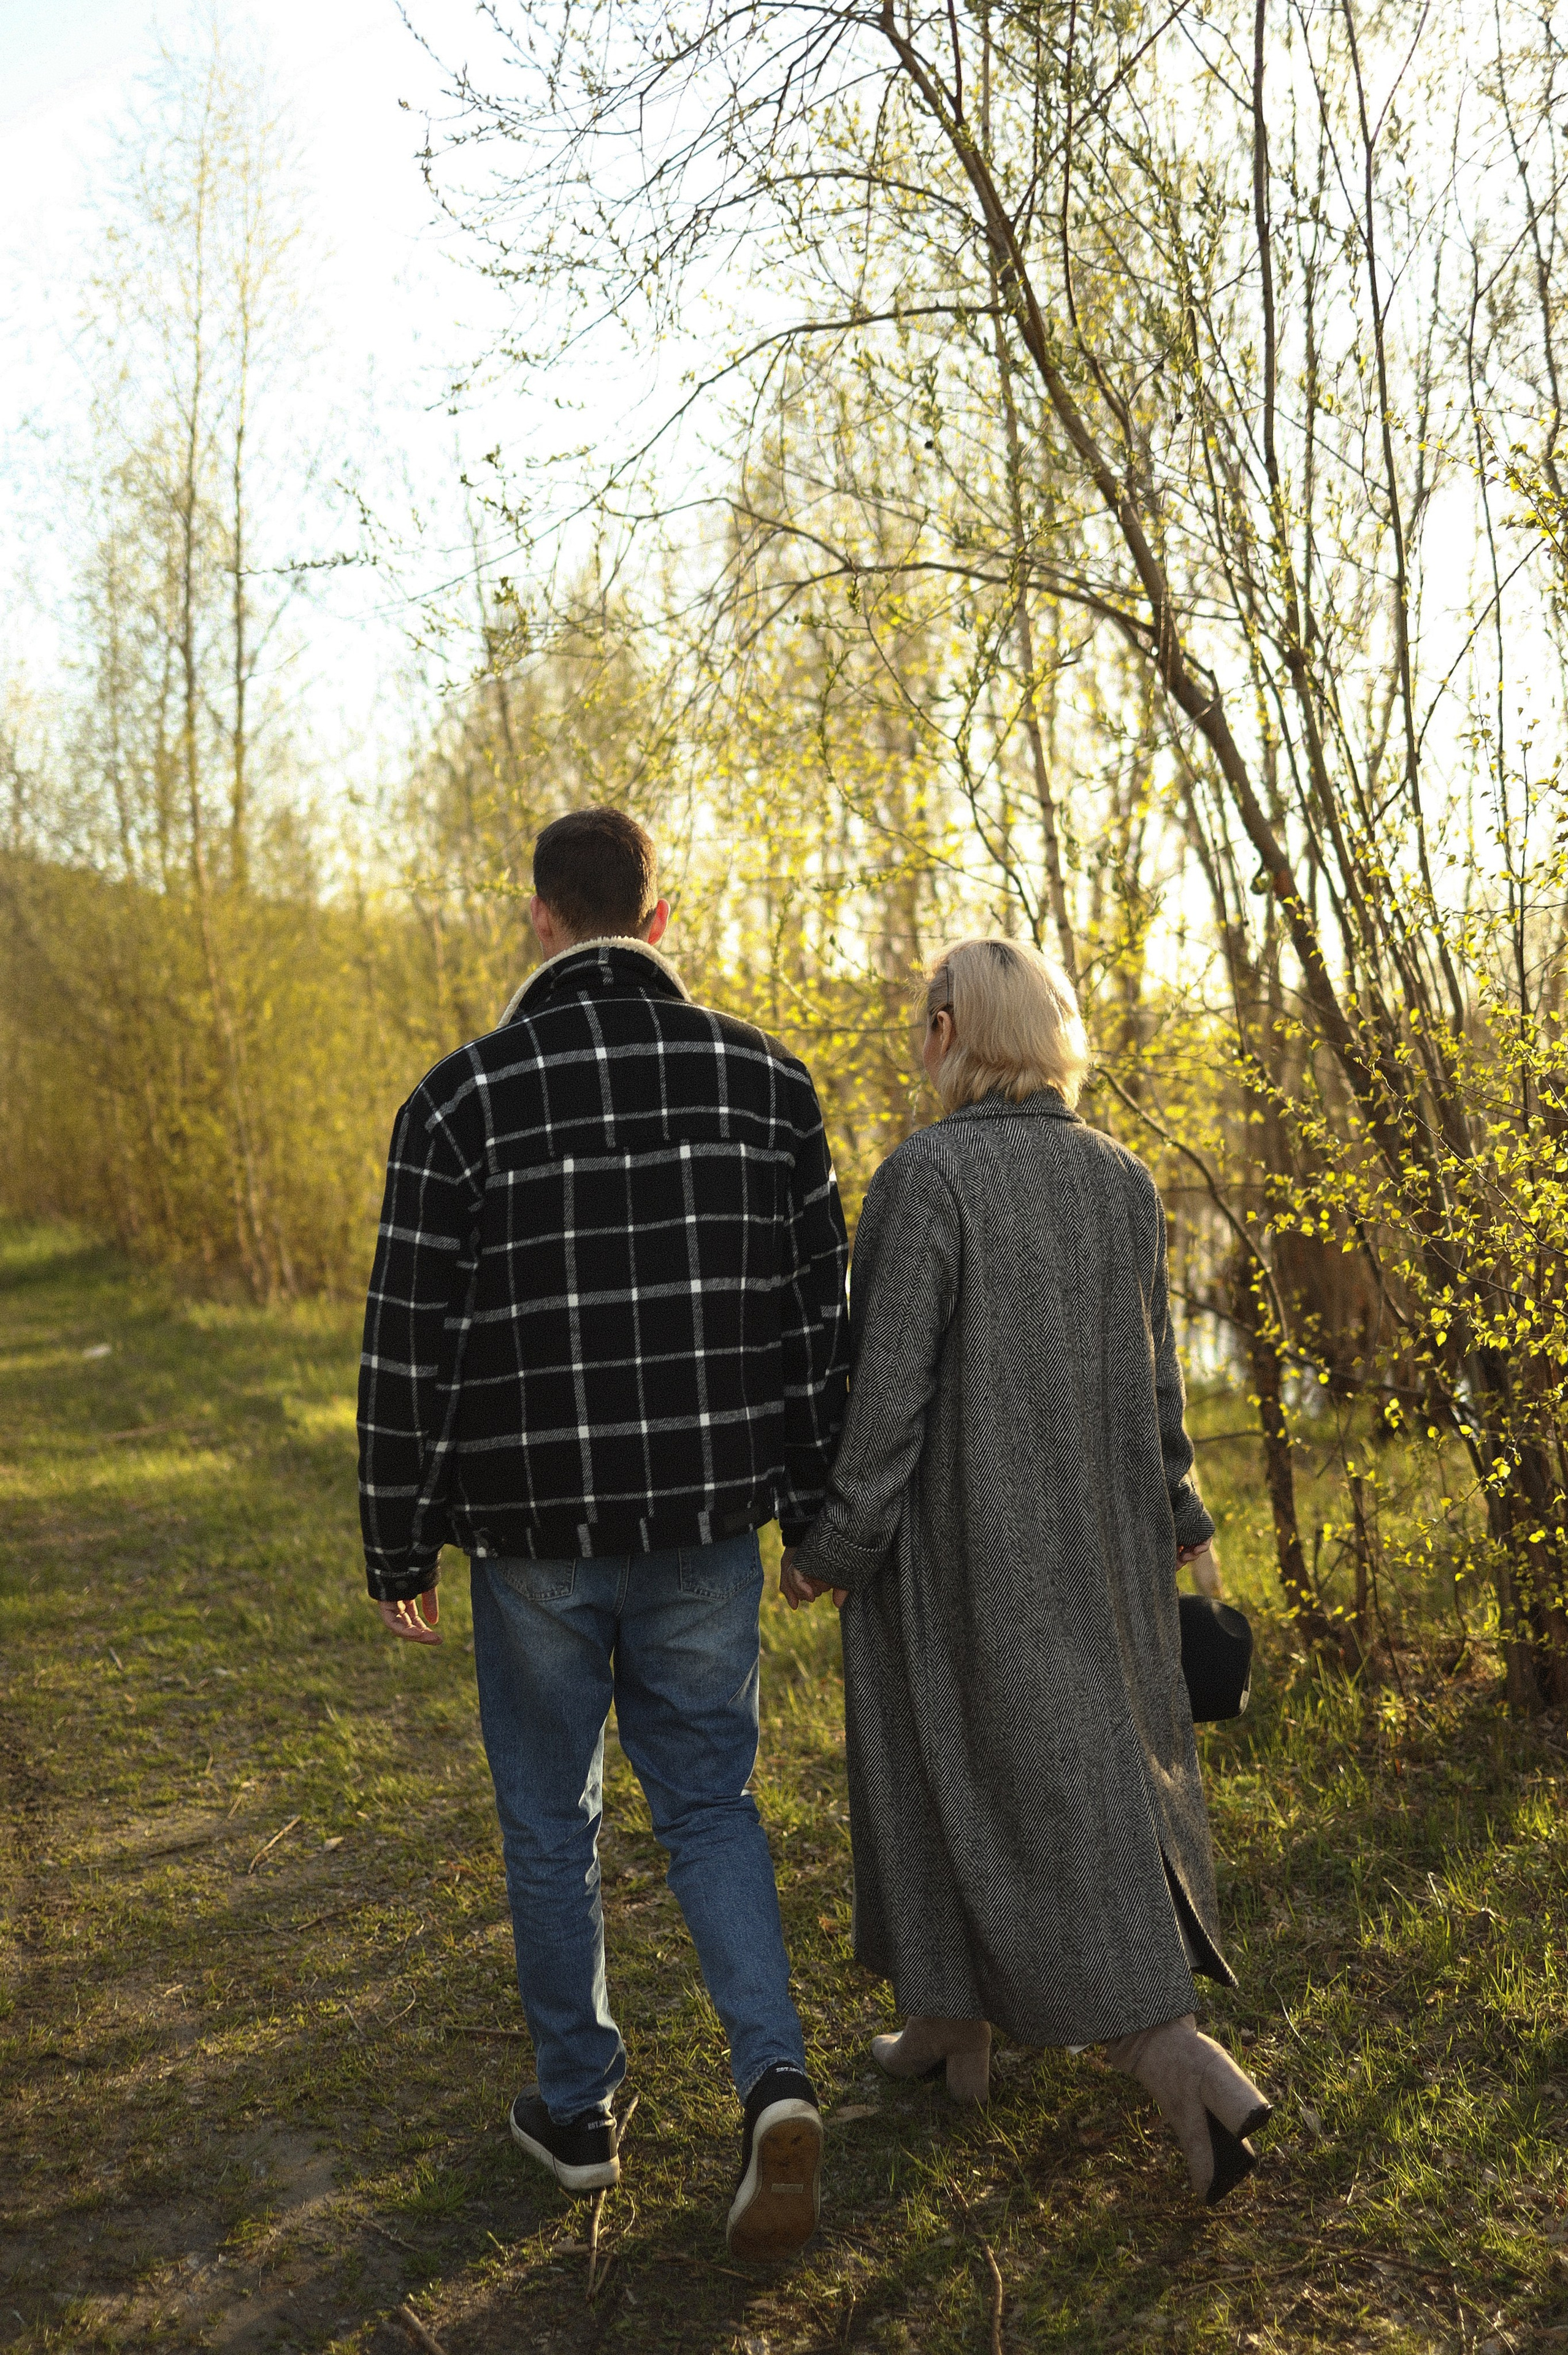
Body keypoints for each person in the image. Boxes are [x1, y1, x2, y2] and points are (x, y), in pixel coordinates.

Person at [357, 808, 849, 2259]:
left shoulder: (458, 1102)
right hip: (704, 1525)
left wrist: (398, 1544)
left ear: (539, 916)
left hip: (533, 1538)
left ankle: (578, 2113)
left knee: (547, 1819)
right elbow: (815, 1332)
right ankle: (772, 2078)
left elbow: (407, 1350)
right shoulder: (767, 1084)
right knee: (710, 1805)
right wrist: (814, 1514)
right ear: (659, 915)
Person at [784, 937, 1271, 2205]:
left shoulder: (923, 1179)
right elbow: (1158, 1383)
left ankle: (1172, 2056)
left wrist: (836, 1548)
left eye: (921, 1018)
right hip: (1102, 1545)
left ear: (951, 1028)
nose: (916, 1038)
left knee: (985, 1776)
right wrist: (1178, 1511)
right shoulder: (1123, 1178)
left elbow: (886, 1400)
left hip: (956, 1555)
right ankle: (949, 2023)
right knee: (1063, 1773)